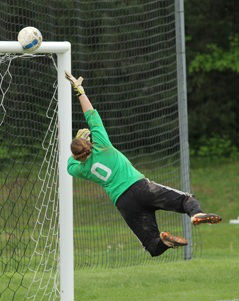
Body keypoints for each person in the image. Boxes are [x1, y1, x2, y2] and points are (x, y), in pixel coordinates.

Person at [65, 71, 222, 257]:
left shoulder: (81, 169)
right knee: (186, 199)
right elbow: (91, 114)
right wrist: (80, 91)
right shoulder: (102, 144)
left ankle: (164, 241)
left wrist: (73, 143)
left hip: (124, 203)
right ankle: (196, 214)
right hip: (141, 189)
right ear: (90, 143)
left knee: (153, 247)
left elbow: (68, 165)